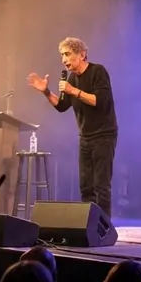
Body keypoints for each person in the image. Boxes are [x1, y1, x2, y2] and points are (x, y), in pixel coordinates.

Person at [27, 37, 118, 218]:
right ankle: (89, 226)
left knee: (101, 185)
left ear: (82, 54)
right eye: (62, 55)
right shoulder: (71, 78)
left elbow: (100, 101)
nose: (63, 59)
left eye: (67, 54)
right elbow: (62, 106)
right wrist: (46, 91)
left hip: (104, 135)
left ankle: (104, 228)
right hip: (85, 137)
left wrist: (72, 91)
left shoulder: (97, 71)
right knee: (86, 186)